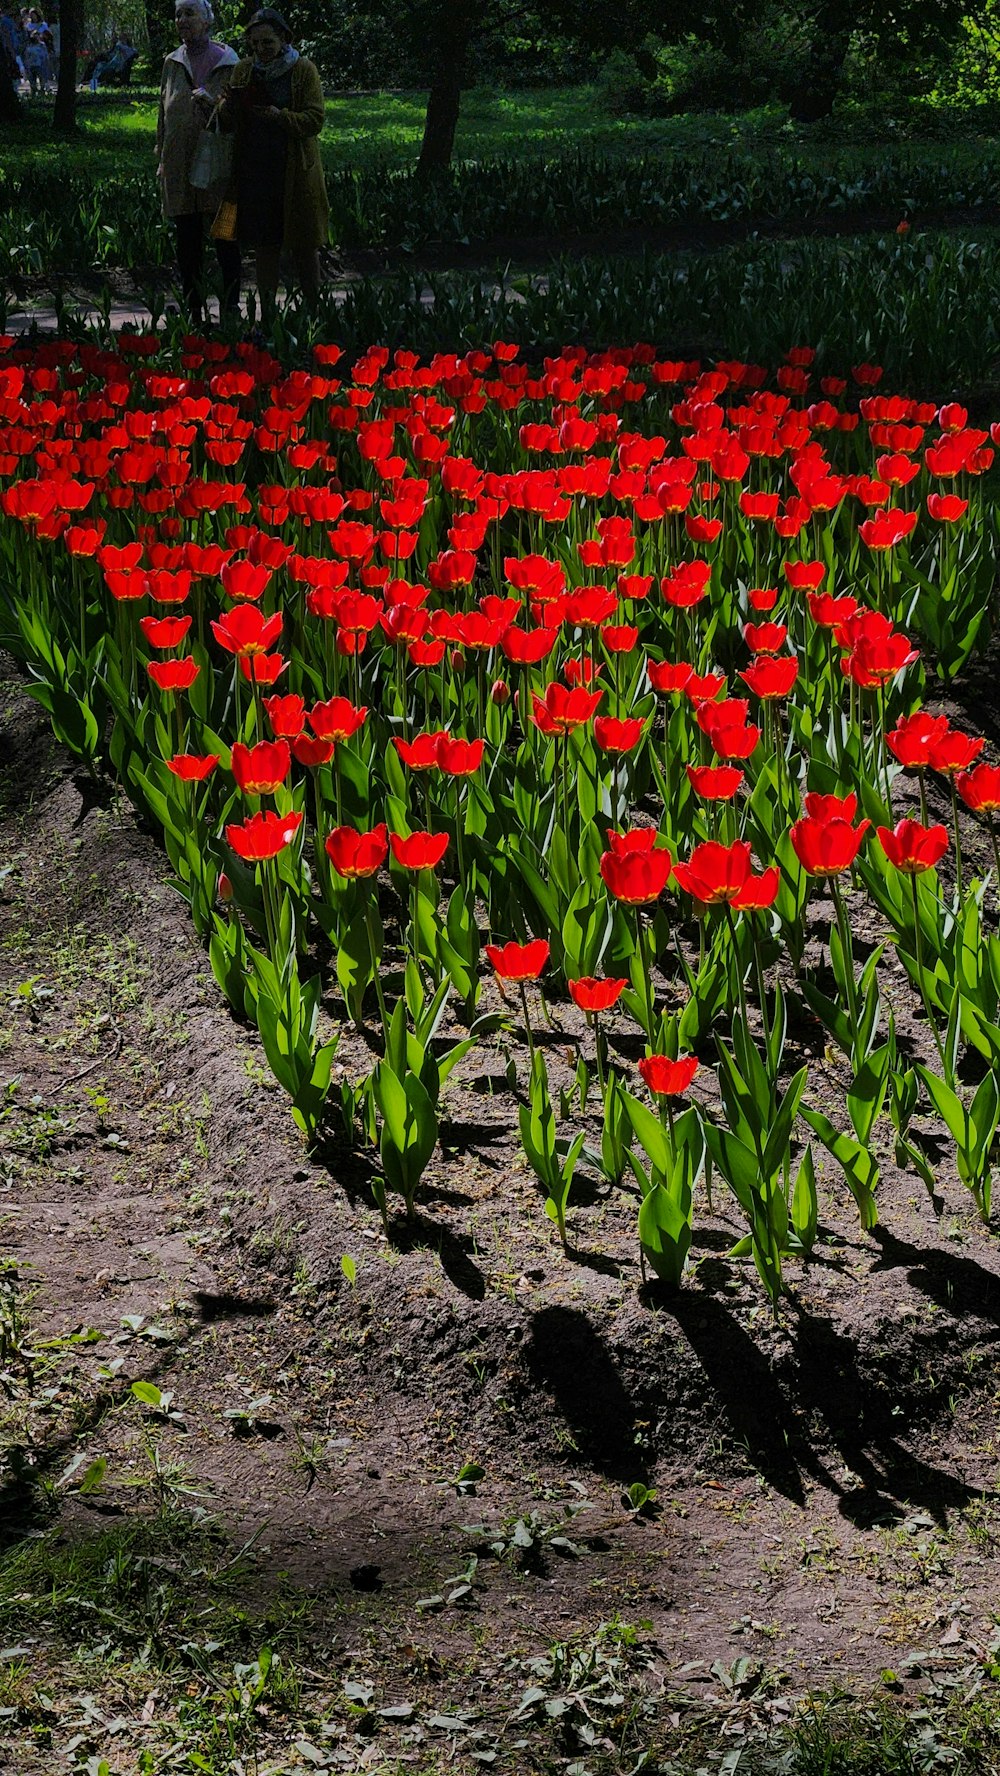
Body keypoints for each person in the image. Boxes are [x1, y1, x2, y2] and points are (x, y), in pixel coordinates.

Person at [217, 8, 328, 314]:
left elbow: (314, 119)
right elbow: (229, 122)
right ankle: (268, 315)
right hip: (256, 169)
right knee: (265, 245)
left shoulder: (303, 70)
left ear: (283, 39)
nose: (261, 51)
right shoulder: (243, 70)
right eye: (255, 45)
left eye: (267, 43)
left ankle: (313, 313)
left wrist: (280, 117)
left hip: (295, 169)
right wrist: (224, 106)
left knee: (305, 245)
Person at [156, 0, 241, 323]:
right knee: (187, 239)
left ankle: (230, 308)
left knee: (225, 236)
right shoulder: (171, 62)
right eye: (178, 14)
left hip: (220, 165)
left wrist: (215, 105)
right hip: (178, 163)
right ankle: (194, 309)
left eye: (190, 13)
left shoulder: (231, 63)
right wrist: (161, 154)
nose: (182, 20)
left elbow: (239, 116)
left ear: (207, 20)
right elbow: (162, 114)